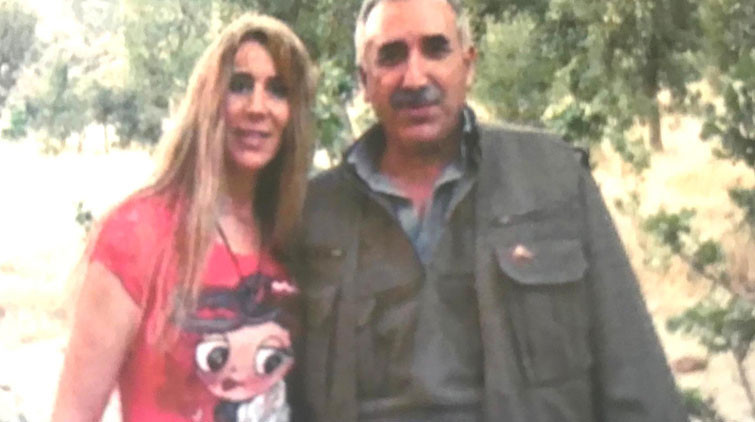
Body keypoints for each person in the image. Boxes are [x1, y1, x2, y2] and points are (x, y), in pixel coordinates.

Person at [293, 0, 688, 421]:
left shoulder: (553, 178)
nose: (415, 77)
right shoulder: (314, 213)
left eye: (436, 49)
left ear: (469, 65)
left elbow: (634, 373)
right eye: (391, 56)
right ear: (364, 81)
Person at [52, 13, 316, 422]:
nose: (257, 107)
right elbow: (73, 415)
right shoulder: (136, 235)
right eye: (239, 85)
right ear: (208, 101)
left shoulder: (295, 236)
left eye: (278, 90)